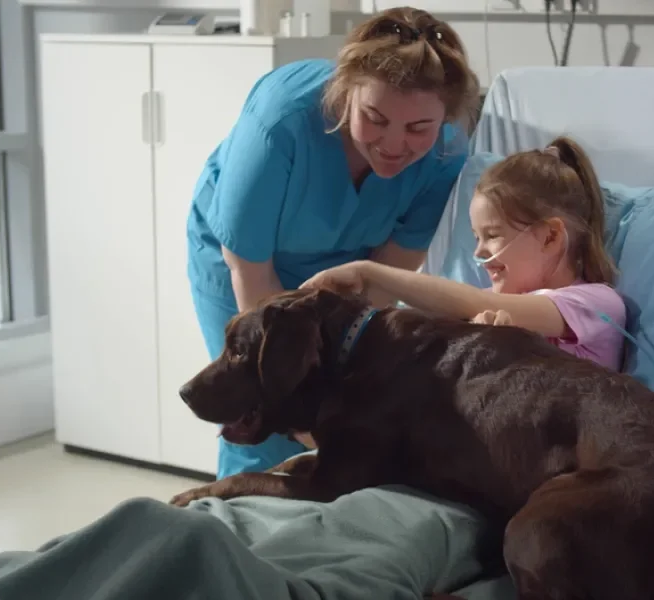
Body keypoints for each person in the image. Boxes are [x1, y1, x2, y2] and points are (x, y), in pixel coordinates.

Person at [186, 7, 481, 480]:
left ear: (444, 119)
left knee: (341, 410)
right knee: (260, 412)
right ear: (345, 94)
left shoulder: (446, 155)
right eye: (375, 118)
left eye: (418, 129)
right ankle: (241, 536)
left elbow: (385, 279)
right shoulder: (281, 122)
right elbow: (251, 272)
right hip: (247, 262)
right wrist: (290, 398)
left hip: (351, 269)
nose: (393, 144)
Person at [302, 136, 627, 371]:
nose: (478, 251)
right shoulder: (488, 311)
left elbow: (478, 303)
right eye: (475, 236)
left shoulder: (596, 304)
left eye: (492, 235)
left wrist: (369, 272)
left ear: (550, 236)